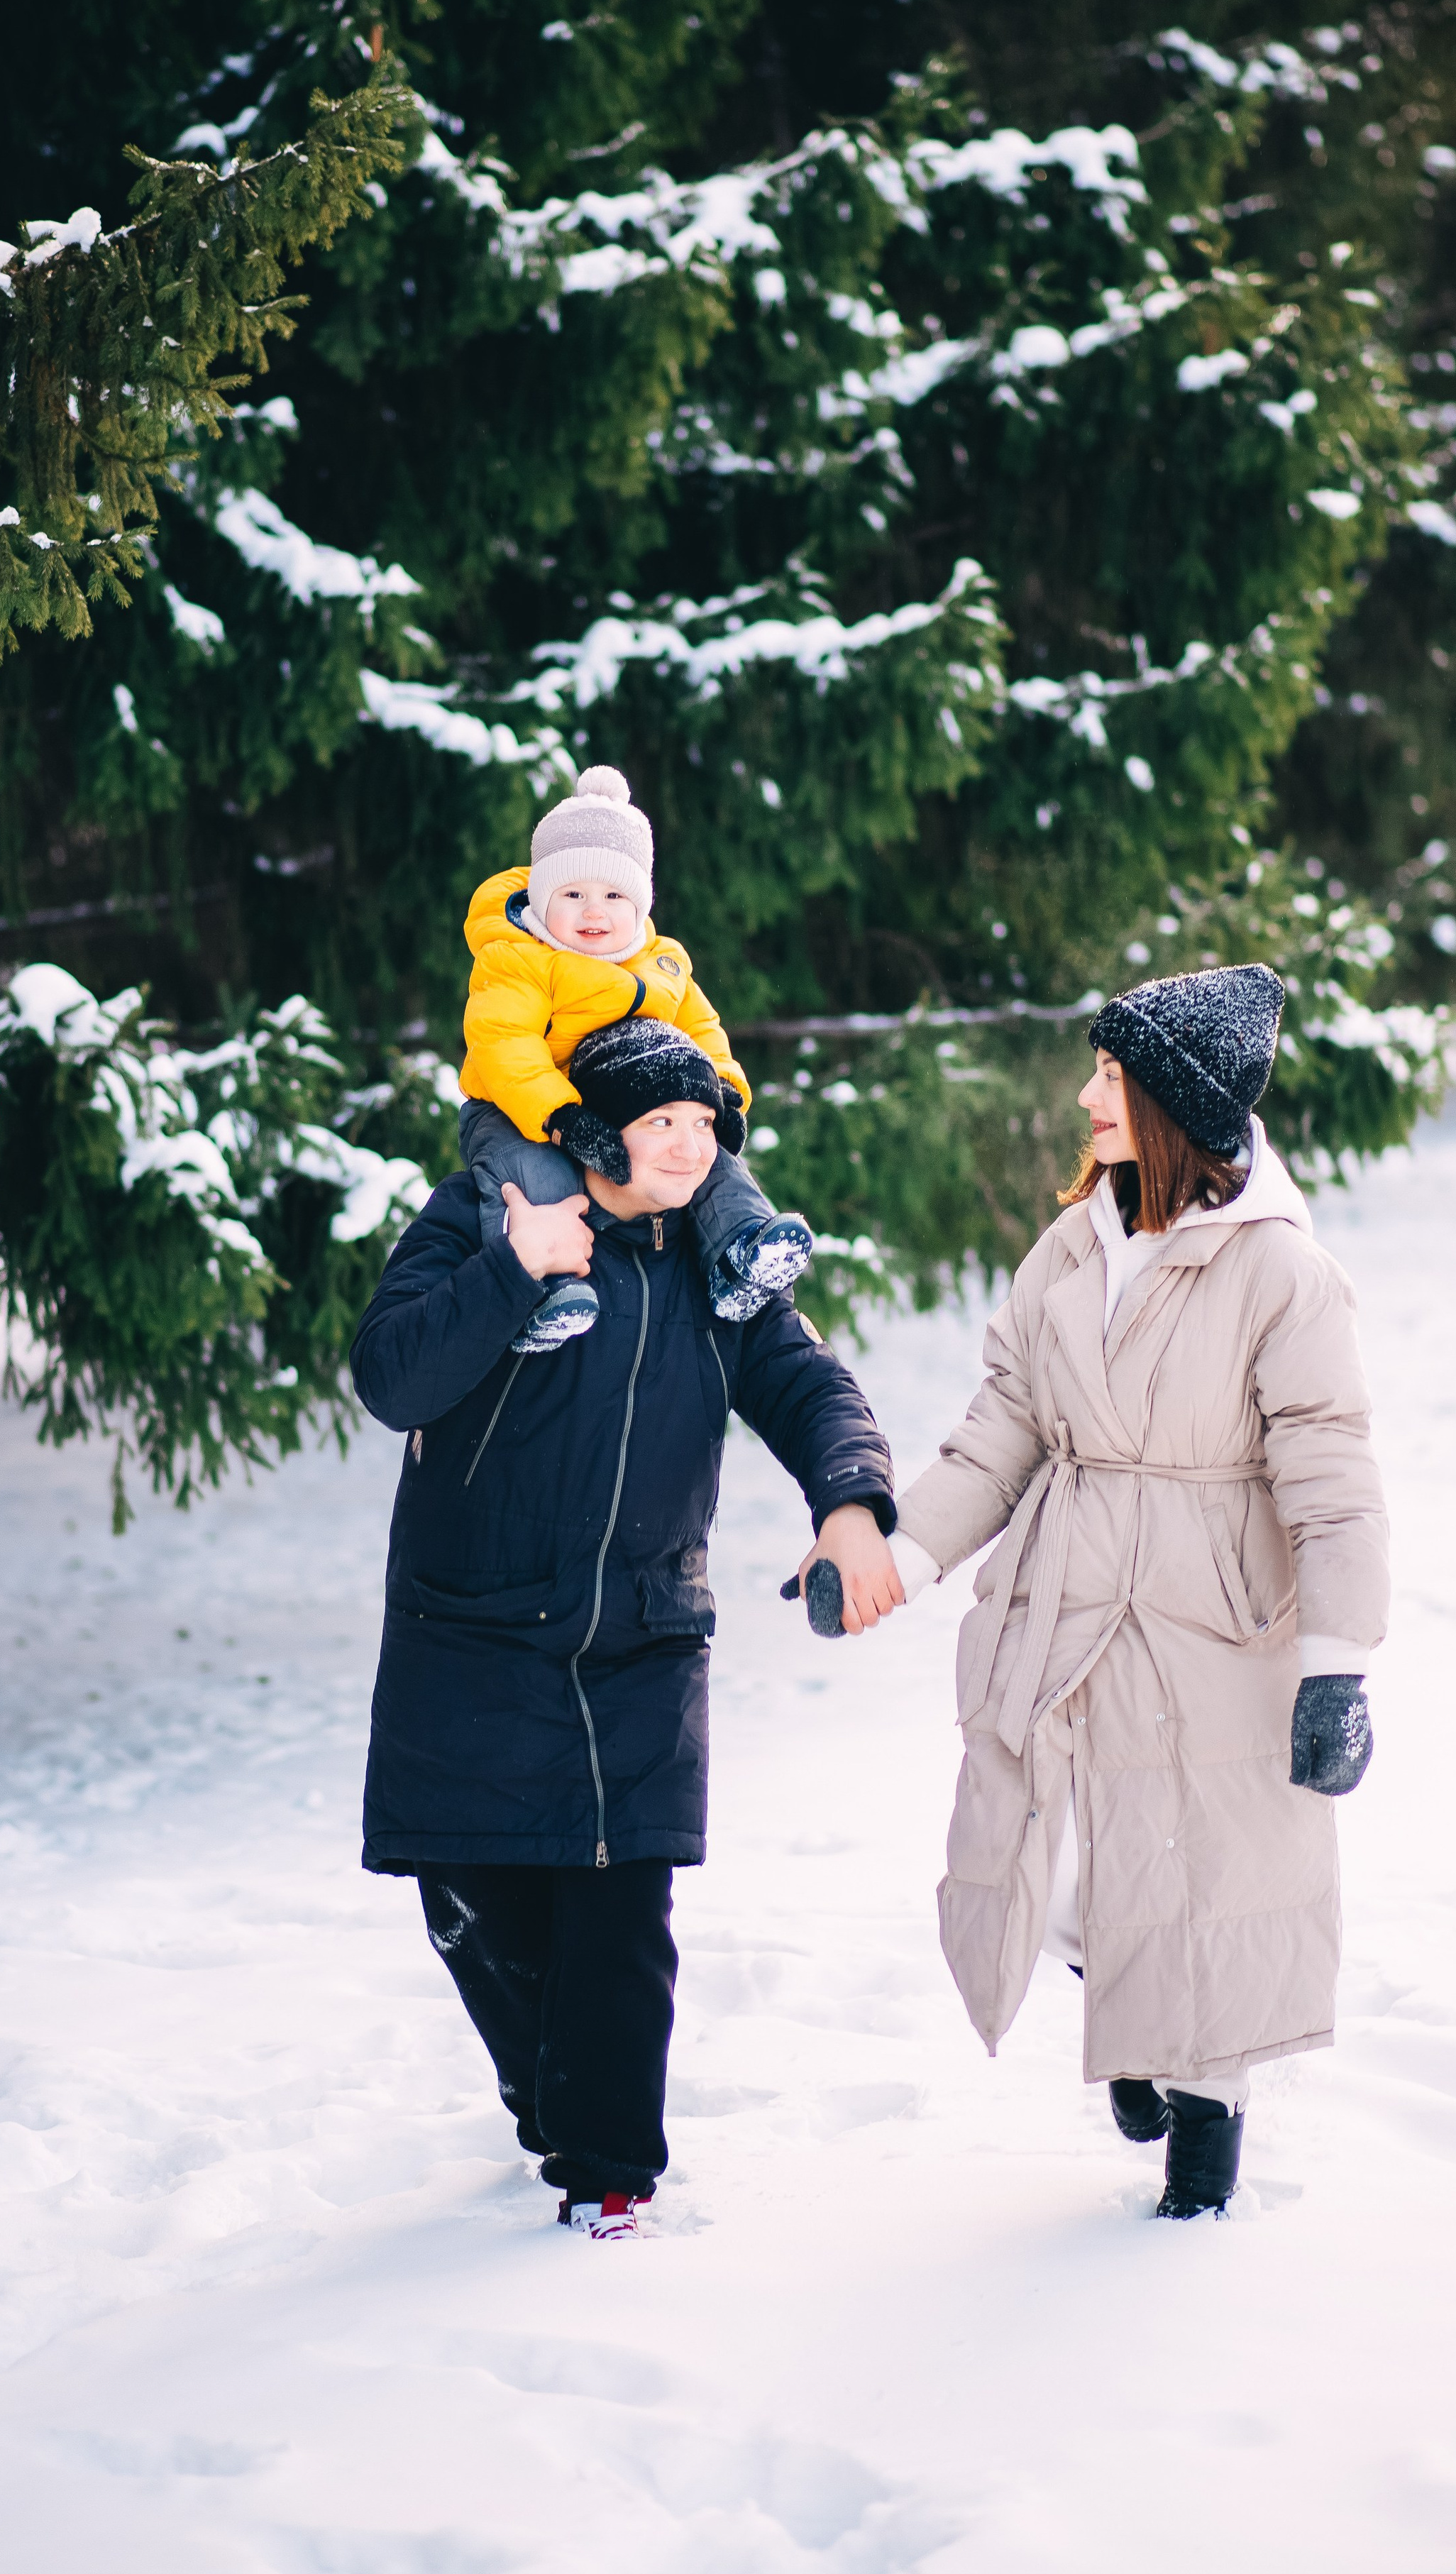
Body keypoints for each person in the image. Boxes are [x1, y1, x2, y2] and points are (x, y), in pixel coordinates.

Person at [349, 1018, 902, 2238]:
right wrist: (515, 1270)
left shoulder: (713, 1263)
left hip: (643, 1636)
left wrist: (851, 1504)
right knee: (480, 1904)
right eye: (667, 1126)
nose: (694, 1151)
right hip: (473, 1629)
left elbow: (805, 1379)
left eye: (709, 1129)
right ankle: (550, 2101)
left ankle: (609, 2177)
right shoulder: (489, 1210)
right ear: (597, 1132)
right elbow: (391, 1377)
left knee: (619, 1921)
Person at [884, 963, 1389, 2219]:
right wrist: (900, 1556)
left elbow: (1332, 1476)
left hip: (1208, 1616)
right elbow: (1002, 1423)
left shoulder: (1283, 1274)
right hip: (1065, 1598)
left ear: (1171, 1104)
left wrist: (1338, 1665)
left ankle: (1205, 2132)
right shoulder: (1074, 1242)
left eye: (1108, 1081)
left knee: (1203, 1875)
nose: (1083, 1098)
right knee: (1051, 1868)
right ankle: (1136, 2023)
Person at [457, 762, 814, 1350]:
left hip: (625, 1107)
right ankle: (542, 1291)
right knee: (536, 1176)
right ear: (543, 900)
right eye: (573, 895)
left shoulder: (660, 960)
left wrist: (722, 1092)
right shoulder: (518, 958)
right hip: (520, 1108)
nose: (594, 912)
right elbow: (503, 1044)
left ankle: (739, 1251)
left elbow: (702, 1026)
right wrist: (559, 1116)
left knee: (699, 1154)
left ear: (641, 902)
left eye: (614, 895)